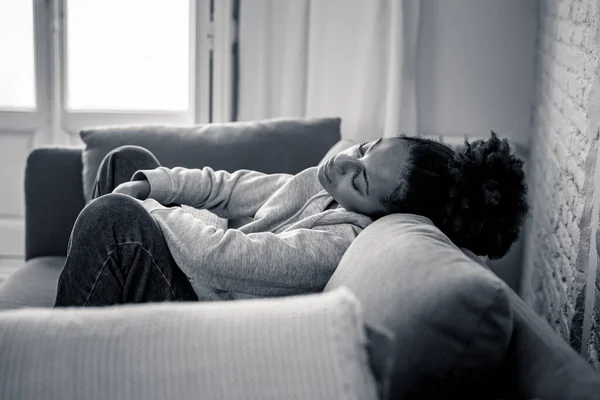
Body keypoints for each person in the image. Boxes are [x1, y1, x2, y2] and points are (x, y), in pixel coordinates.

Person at [54, 131, 528, 307]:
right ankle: (98, 280)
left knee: (113, 219)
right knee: (126, 162)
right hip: (193, 251)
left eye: (359, 179)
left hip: (195, 294)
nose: (343, 163)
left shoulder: (340, 242)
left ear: (375, 211)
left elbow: (216, 258)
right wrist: (148, 186)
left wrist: (147, 208)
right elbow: (230, 188)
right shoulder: (322, 185)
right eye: (364, 149)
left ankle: (54, 347)